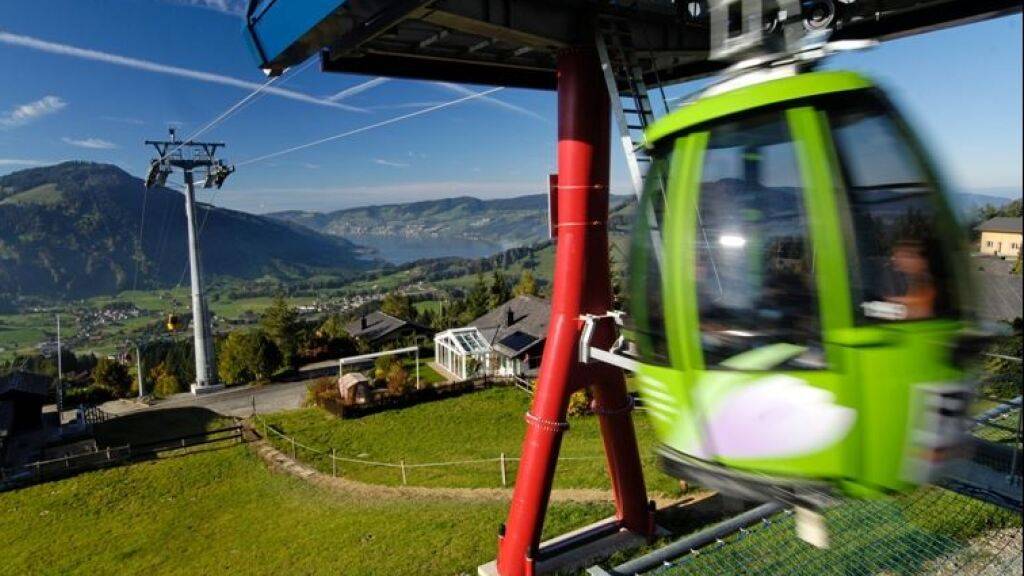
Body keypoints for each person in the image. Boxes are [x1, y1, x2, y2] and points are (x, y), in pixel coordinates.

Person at [886, 240, 936, 320]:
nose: (896, 260)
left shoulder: (926, 281)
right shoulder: (908, 279)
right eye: (896, 256)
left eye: (905, 256)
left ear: (920, 260)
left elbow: (920, 310)